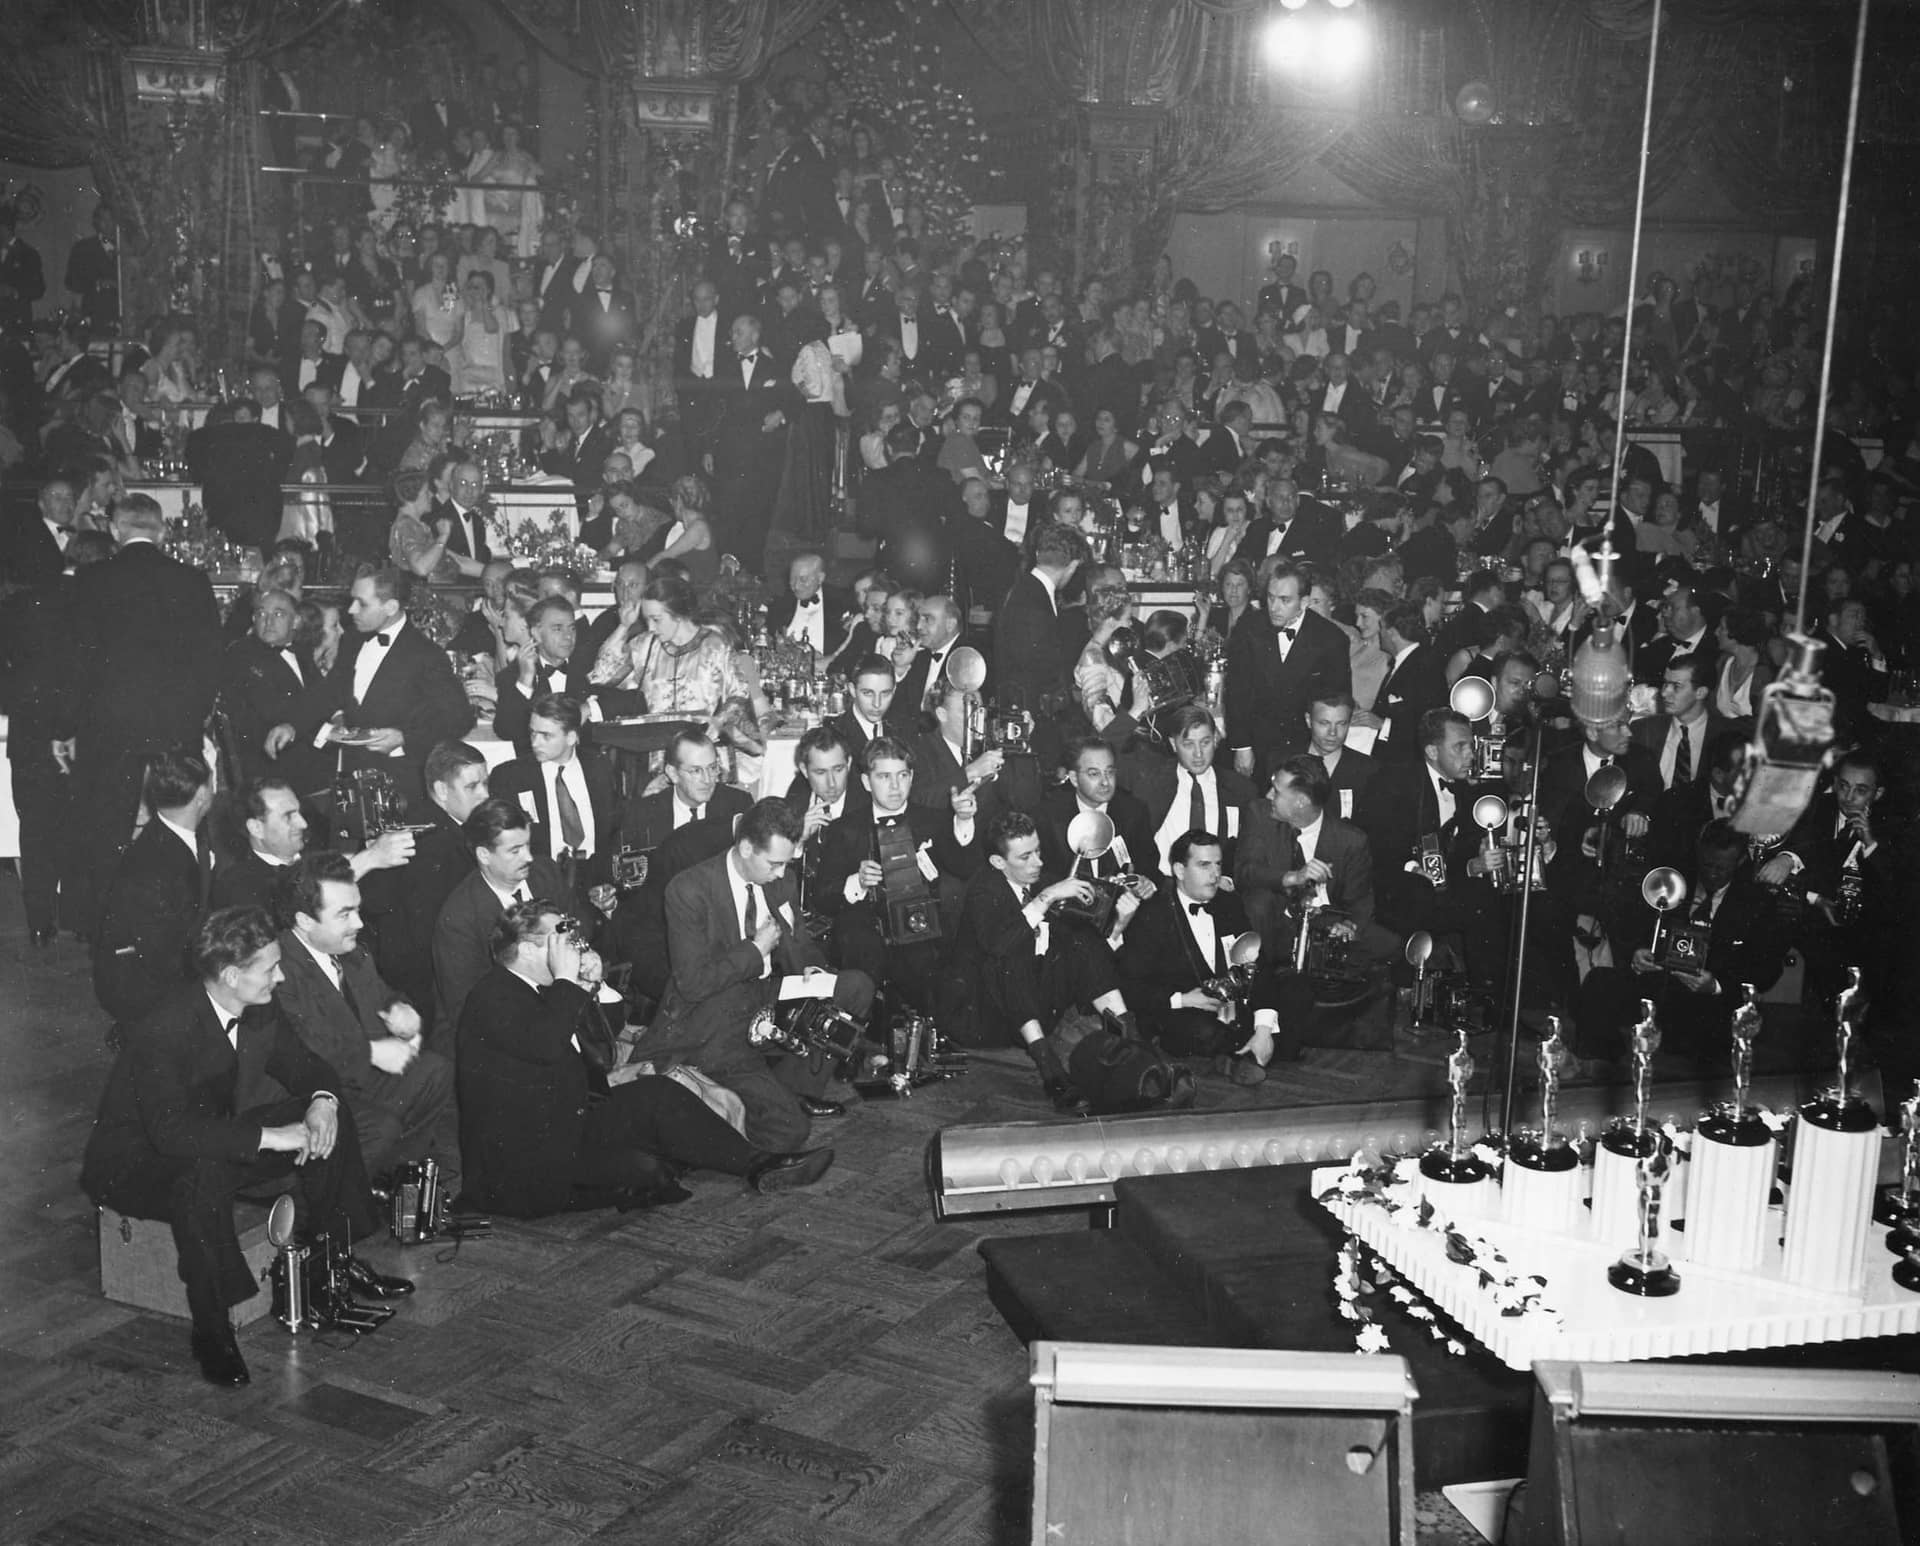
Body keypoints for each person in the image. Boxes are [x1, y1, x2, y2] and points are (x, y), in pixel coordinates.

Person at [82, 906, 408, 1386]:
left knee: (326, 1119)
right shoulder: (163, 1027)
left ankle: (333, 1263)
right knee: (199, 1177)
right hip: (136, 1162)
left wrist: (320, 1104)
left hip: (206, 1139)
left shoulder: (258, 1007)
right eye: (270, 968)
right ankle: (212, 1331)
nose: (279, 977)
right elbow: (170, 1133)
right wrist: (274, 1136)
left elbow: (309, 1067)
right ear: (232, 975)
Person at [459, 898, 834, 1217]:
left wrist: (591, 984)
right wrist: (567, 982)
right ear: (526, 950)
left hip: (564, 1121)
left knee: (657, 1093)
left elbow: (599, 1046)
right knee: (647, 1171)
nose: (572, 946)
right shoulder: (493, 996)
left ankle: (762, 1164)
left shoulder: (544, 988)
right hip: (522, 1163)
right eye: (560, 940)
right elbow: (545, 1045)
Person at [629, 799, 875, 1152]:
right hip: (714, 1011)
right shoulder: (688, 889)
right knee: (790, 1130)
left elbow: (799, 941)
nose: (780, 874)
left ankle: (795, 1089)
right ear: (746, 848)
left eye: (785, 863)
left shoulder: (781, 879)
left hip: (764, 994)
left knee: (855, 988)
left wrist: (811, 968)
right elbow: (693, 983)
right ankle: (726, 1103)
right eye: (774, 863)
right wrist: (755, 950)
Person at [66, 493, 227, 931]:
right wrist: (193, 716)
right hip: (176, 726)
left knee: (107, 829)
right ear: (161, 530)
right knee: (182, 823)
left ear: (116, 531)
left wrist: (74, 723)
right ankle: (189, 920)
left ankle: (103, 926)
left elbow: (77, 660)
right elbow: (213, 658)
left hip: (110, 727)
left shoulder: (91, 578)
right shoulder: (192, 580)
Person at [271, 850, 461, 1195]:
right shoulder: (279, 968)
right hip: (313, 1092)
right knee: (382, 1125)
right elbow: (302, 1046)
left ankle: (384, 1180)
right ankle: (321, 1201)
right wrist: (370, 1052)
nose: (359, 923)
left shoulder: (353, 951)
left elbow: (384, 994)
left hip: (357, 1078)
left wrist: (401, 1008)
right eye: (345, 914)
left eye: (357, 909)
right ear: (305, 921)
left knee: (435, 1071)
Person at [951, 811, 1139, 1108]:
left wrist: (1118, 926)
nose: (1038, 862)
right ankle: (1050, 1071)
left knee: (1082, 939)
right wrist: (1046, 898)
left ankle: (1133, 1042)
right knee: (1008, 957)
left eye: (1038, 851)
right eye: (1025, 857)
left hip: (1038, 1001)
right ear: (998, 862)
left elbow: (1085, 955)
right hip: (994, 1014)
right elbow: (999, 945)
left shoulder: (1043, 881)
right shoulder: (982, 892)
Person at [810, 736, 982, 1012]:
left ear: (912, 777)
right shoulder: (845, 829)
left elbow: (965, 868)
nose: (894, 787)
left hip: (922, 929)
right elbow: (823, 898)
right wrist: (858, 882)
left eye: (902, 776)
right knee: (862, 954)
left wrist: (962, 820)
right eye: (883, 777)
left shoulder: (934, 820)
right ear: (866, 781)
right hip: (867, 931)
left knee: (930, 972)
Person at [292, 567, 475, 803]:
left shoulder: (426, 655)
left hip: (399, 781)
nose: (351, 610)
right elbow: (331, 692)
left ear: (390, 607)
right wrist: (292, 725)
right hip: (350, 774)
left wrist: (404, 738)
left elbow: (460, 718)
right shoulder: (353, 639)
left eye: (361, 603)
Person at [1113, 830, 1285, 1080]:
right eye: (1204, 865)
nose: (1215, 875)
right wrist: (1183, 999)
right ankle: (1246, 1054)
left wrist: (1263, 1029)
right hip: (1184, 1011)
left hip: (1230, 1008)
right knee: (1197, 1030)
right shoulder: (1152, 913)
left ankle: (1246, 1050)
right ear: (1179, 871)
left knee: (1292, 992)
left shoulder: (1229, 903)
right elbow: (1130, 985)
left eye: (1218, 864)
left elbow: (1256, 961)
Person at [431, 797, 572, 1046]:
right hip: (500, 1033)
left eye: (528, 845)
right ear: (484, 855)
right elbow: (470, 1008)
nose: (529, 857)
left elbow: (577, 922)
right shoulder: (459, 919)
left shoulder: (545, 872)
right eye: (515, 851)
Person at [91, 748, 214, 1025]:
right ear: (202, 796)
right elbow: (161, 953)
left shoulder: (174, 835)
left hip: (167, 959)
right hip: (141, 983)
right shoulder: (152, 861)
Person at [1223, 561, 1352, 785]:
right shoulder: (1249, 627)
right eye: (1271, 597)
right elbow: (1236, 691)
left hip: (1304, 748)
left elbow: (1337, 700)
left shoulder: (1331, 639)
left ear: (1304, 602)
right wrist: (1242, 746)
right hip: (1257, 744)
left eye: (1285, 600)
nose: (1274, 607)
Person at [486, 693, 618, 895]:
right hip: (540, 882)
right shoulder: (510, 777)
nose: (535, 743)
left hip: (596, 879)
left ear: (571, 737)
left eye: (546, 735)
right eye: (532, 733)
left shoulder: (599, 767)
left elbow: (612, 832)